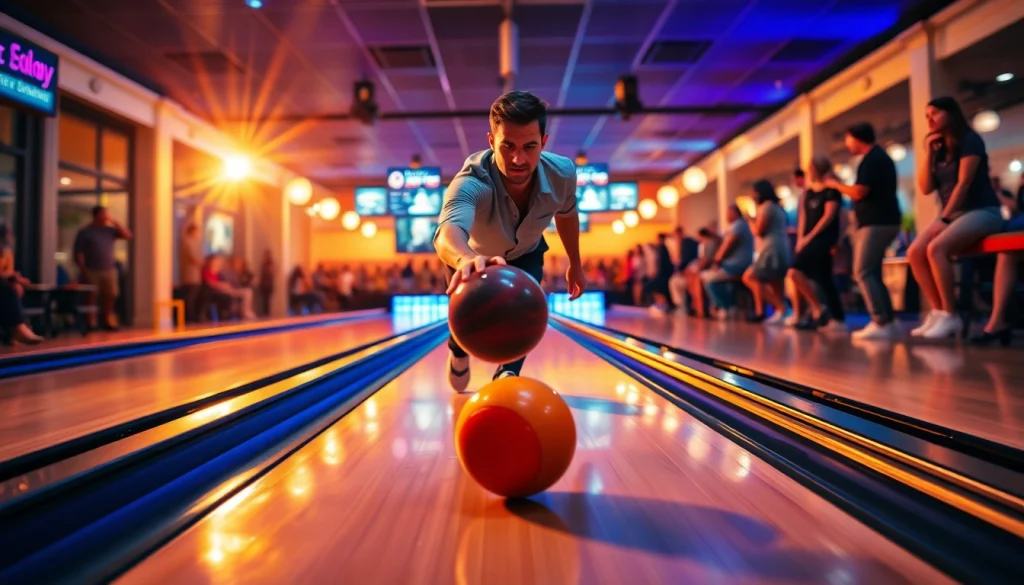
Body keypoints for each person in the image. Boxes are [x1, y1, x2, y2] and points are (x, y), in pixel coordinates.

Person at [435, 90, 586, 392]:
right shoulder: (472, 181)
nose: (519, 158)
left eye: (530, 147)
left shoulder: (563, 174)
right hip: (473, 260)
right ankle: (458, 350)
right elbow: (447, 231)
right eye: (508, 146)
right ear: (491, 141)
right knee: (466, 323)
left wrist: (575, 263)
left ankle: (508, 374)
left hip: (526, 253)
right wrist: (465, 259)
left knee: (524, 313)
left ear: (544, 141)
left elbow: (567, 214)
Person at [907, 97, 1005, 339]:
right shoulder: (938, 149)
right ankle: (939, 311)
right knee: (914, 252)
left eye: (935, 113)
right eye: (927, 115)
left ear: (951, 114)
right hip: (955, 214)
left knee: (936, 249)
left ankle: (951, 315)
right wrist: (928, 153)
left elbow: (964, 183)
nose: (930, 119)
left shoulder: (970, 140)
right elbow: (925, 188)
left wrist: (945, 218)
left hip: (983, 211)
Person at [825, 122, 902, 340]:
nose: (846, 143)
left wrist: (836, 185)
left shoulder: (872, 159)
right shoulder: (875, 158)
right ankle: (889, 321)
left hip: (877, 222)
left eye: (848, 138)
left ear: (857, 138)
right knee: (872, 271)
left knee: (862, 271)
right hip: (881, 221)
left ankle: (880, 320)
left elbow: (859, 192)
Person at [787, 157, 847, 331]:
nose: (808, 172)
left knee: (794, 271)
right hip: (808, 239)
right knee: (824, 277)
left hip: (823, 239)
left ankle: (818, 308)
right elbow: (803, 218)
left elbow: (829, 216)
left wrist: (810, 237)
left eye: (810, 169)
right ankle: (835, 316)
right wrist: (800, 238)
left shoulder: (831, 190)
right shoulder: (809, 192)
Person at [73, 205, 132, 330]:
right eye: (104, 214)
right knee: (91, 296)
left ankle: (107, 321)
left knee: (110, 295)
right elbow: (78, 252)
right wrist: (83, 269)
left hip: (109, 269)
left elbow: (127, 235)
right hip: (91, 269)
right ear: (96, 215)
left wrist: (114, 222)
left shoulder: (109, 231)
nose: (106, 217)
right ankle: (91, 322)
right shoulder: (85, 232)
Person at [742, 179, 789, 322]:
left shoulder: (767, 207)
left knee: (749, 277)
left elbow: (758, 230)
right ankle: (780, 313)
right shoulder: (777, 207)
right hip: (780, 247)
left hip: (770, 248)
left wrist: (750, 219)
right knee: (775, 282)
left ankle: (782, 307)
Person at [700, 204, 754, 319]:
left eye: (728, 213)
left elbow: (727, 246)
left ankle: (727, 307)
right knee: (710, 278)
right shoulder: (741, 225)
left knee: (708, 278)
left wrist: (716, 262)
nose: (726, 216)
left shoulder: (738, 225)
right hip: (739, 265)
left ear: (734, 213)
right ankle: (722, 306)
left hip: (737, 266)